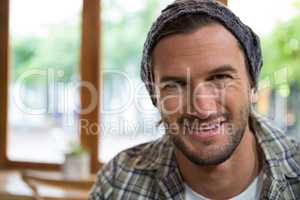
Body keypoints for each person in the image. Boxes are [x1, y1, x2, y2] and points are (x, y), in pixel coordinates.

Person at [89, 0, 300, 199]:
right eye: (175, 85)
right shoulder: (117, 183)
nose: (202, 108)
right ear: (155, 96)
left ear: (252, 83)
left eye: (220, 78)